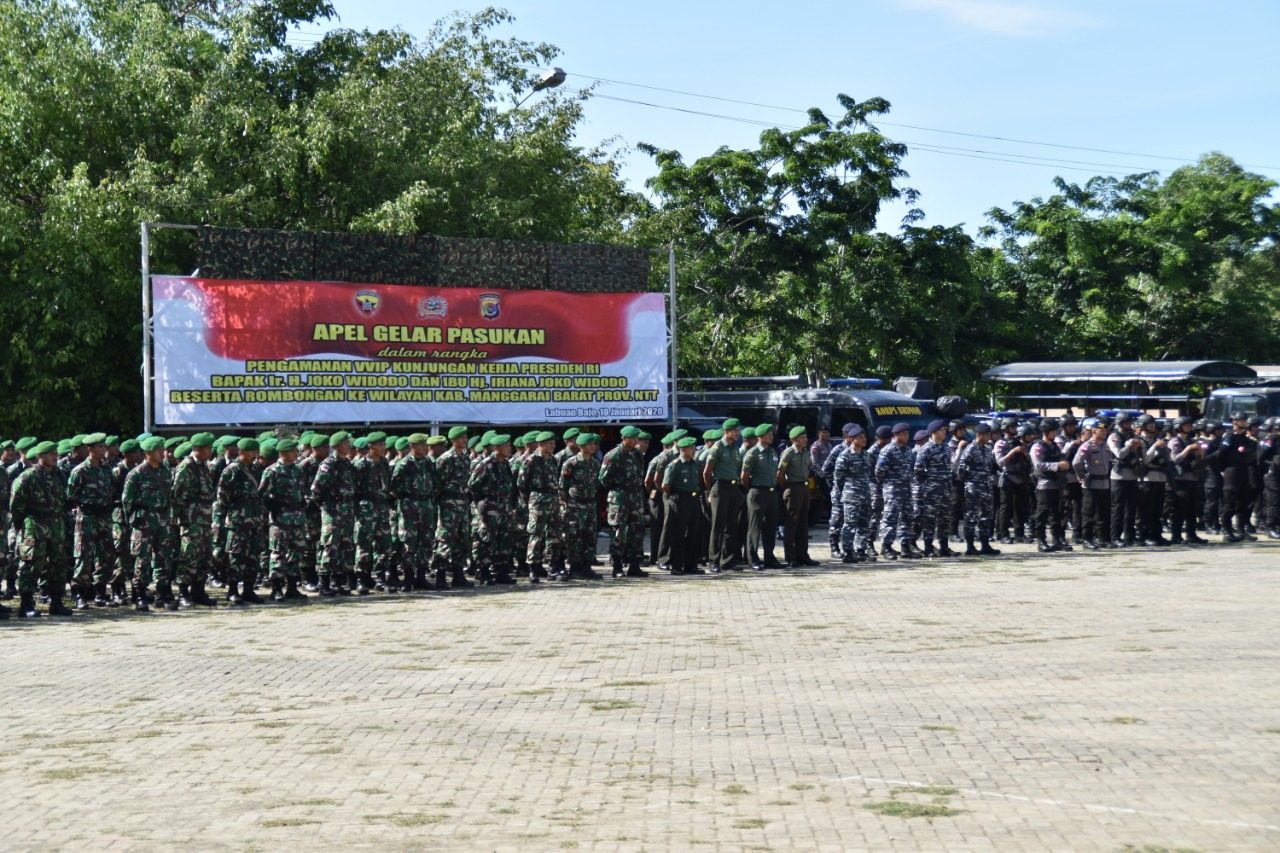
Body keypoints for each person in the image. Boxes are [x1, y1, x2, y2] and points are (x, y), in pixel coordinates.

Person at [10, 441, 72, 617]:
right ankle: (26, 604)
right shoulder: (28, 477)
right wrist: (23, 526)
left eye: (55, 453)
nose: (55, 456)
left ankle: (56, 602)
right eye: (51, 454)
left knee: (59, 564)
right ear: (40, 457)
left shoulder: (60, 475)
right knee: (31, 565)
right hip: (34, 526)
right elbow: (16, 506)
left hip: (56, 525)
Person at [120, 437, 172, 612]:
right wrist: (133, 521)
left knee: (163, 558)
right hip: (144, 520)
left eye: (162, 449)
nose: (162, 453)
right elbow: (126, 500)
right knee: (142, 559)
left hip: (163, 519)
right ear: (148, 453)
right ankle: (140, 596)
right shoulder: (137, 473)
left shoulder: (165, 471)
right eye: (159, 450)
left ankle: (161, 595)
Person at [66, 433, 116, 610]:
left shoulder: (107, 469)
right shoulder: (80, 471)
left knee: (106, 555)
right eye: (100, 447)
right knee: (84, 556)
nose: (104, 450)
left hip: (104, 518)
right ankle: (79, 594)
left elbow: (113, 491)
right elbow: (71, 495)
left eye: (104, 446)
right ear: (90, 449)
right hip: (86, 518)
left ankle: (100, 593)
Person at [171, 432, 218, 607]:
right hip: (191, 519)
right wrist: (176, 516)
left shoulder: (202, 465)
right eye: (207, 448)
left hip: (204, 518)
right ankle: (183, 593)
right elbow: (177, 494)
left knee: (204, 556)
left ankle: (198, 592)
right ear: (197, 449)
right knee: (189, 555)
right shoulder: (187, 466)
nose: (210, 451)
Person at [218, 438, 265, 605]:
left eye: (256, 451)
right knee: (236, 557)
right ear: (242, 452)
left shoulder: (256, 469)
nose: (256, 455)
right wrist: (231, 514)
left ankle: (248, 589)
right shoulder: (232, 470)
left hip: (255, 520)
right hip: (238, 521)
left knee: (253, 557)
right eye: (252, 451)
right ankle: (232, 590)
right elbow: (223, 496)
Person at [469, 434, 518, 585]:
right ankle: (484, 572)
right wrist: (482, 502)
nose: (509, 449)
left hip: (504, 508)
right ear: (496, 448)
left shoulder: (505, 464)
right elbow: (472, 485)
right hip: (488, 508)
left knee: (504, 539)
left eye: (509, 446)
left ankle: (501, 571)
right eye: (506, 446)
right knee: (485, 540)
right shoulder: (485, 464)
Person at [312, 432, 356, 596]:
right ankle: (323, 582)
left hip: (347, 510)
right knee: (330, 545)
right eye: (346, 443)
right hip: (332, 510)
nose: (349, 446)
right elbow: (316, 488)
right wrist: (325, 505)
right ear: (337, 446)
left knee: (345, 546)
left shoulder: (347, 463)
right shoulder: (329, 463)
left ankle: (338, 582)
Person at [600, 426, 647, 578]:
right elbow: (604, 479)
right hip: (619, 498)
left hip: (635, 498)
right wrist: (618, 489)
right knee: (618, 531)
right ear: (625, 438)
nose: (636, 441)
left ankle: (634, 565)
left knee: (636, 532)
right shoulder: (613, 455)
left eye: (637, 438)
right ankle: (617, 566)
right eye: (633, 438)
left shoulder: (637, 454)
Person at [431, 426, 474, 590]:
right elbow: (437, 485)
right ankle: (440, 576)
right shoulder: (445, 459)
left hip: (462, 505)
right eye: (462, 437)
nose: (465, 440)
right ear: (453, 440)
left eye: (466, 437)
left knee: (462, 540)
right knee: (445, 540)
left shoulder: (465, 458)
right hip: (448, 505)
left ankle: (458, 575)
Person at [703, 418, 744, 573]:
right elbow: (707, 472)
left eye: (738, 430)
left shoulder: (734, 448)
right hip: (720, 487)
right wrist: (710, 490)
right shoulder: (718, 447)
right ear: (727, 432)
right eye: (735, 430)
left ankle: (728, 560)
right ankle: (714, 560)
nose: (738, 433)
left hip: (733, 488)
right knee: (717, 526)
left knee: (732, 526)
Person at [519, 431, 560, 583]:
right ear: (541, 445)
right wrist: (529, 501)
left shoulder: (553, 460)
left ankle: (552, 566)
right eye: (549, 443)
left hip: (553, 500)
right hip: (538, 500)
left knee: (554, 535)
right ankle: (533, 568)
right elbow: (522, 483)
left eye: (553, 443)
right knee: (536, 534)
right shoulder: (531, 460)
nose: (552, 446)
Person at [561, 433, 603, 580]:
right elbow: (563, 485)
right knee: (574, 536)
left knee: (590, 536)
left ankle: (587, 567)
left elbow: (597, 483)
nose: (593, 446)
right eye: (589, 444)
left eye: (594, 444)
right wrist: (565, 504)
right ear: (581, 446)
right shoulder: (571, 463)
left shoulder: (595, 463)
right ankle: (574, 568)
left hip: (590, 504)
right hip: (574, 505)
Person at [661, 437, 705, 575]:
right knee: (678, 534)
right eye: (692, 449)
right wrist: (674, 495)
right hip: (680, 500)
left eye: (694, 448)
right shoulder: (675, 464)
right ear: (683, 450)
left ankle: (691, 565)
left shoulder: (694, 463)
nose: (694, 451)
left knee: (694, 533)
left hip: (693, 499)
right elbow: (665, 485)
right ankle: (677, 566)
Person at [741, 423, 782, 570]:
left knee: (770, 527)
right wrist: (753, 489)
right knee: (754, 527)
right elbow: (744, 477)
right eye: (769, 434)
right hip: (757, 492)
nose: (772, 436)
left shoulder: (772, 452)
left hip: (771, 492)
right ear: (760, 437)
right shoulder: (752, 454)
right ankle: (752, 559)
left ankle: (769, 557)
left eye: (772, 434)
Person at [876, 423, 919, 561]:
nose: (907, 436)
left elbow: (911, 469)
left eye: (907, 433)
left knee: (907, 518)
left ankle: (905, 546)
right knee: (890, 518)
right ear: (896, 435)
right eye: (904, 433)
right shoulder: (888, 450)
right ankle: (886, 547)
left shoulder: (908, 451)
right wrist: (890, 483)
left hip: (906, 489)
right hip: (893, 490)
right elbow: (879, 471)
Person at [956, 423, 1000, 556]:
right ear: (979, 435)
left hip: (986, 488)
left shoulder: (987, 450)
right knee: (971, 516)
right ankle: (970, 546)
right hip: (973, 489)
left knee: (986, 517)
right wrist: (971, 482)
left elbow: (991, 467)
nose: (988, 437)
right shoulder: (970, 449)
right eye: (986, 435)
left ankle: (985, 544)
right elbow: (961, 470)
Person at [1029, 418, 1072, 552]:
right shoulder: (1038, 446)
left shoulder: (1054, 446)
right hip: (1044, 484)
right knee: (1042, 513)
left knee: (1057, 514)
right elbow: (1038, 465)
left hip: (1057, 484)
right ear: (1046, 432)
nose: (1055, 433)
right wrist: (1057, 465)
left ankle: (1057, 539)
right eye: (1053, 431)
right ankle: (1041, 540)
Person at [777, 426, 817, 567]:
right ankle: (791, 557)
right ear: (793, 440)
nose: (805, 440)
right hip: (793, 488)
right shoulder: (789, 453)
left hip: (804, 488)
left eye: (805, 437)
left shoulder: (805, 452)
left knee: (803, 523)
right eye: (802, 437)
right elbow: (780, 475)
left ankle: (803, 555)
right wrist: (788, 488)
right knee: (792, 523)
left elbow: (809, 469)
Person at [914, 419, 954, 557]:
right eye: (943, 430)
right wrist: (929, 483)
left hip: (945, 489)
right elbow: (918, 470)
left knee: (945, 519)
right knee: (929, 519)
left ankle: (944, 547)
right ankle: (928, 548)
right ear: (934, 432)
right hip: (931, 491)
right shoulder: (926, 449)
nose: (945, 432)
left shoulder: (945, 447)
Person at [834, 425, 875, 562]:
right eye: (860, 437)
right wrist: (842, 494)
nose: (864, 440)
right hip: (851, 496)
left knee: (864, 524)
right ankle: (848, 552)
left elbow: (869, 474)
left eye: (864, 437)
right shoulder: (845, 456)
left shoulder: (866, 455)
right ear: (852, 439)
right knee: (850, 524)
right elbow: (838, 478)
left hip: (865, 495)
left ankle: (861, 551)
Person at [1071, 419, 1113, 549]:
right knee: (1088, 514)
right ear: (1094, 432)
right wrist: (1081, 476)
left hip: (1104, 483)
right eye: (1101, 430)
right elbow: (1076, 463)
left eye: (1105, 430)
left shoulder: (1105, 445)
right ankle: (1087, 539)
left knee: (1104, 513)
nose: (1104, 432)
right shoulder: (1087, 446)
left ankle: (1103, 538)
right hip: (1091, 484)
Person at [1215, 411, 1256, 542]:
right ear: (1234, 421)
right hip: (1232, 471)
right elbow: (1220, 455)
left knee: (1243, 502)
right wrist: (1222, 469)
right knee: (1230, 502)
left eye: (1245, 420)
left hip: (1244, 471)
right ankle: (1226, 530)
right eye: (1242, 420)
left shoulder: (1244, 438)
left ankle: (1241, 530)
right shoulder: (1229, 437)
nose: (1245, 422)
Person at [1167, 416, 1208, 545]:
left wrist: (1200, 452)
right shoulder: (1175, 441)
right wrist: (1189, 449)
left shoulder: (1190, 440)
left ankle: (1191, 534)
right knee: (1179, 508)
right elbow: (1176, 459)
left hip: (1193, 478)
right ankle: (1176, 535)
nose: (1189, 427)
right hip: (1181, 479)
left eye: (1189, 425)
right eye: (1186, 425)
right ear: (1179, 427)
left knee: (1192, 508)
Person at [1107, 413, 1144, 547]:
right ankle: (1115, 536)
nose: (1128, 425)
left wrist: (1139, 445)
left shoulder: (1131, 436)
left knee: (1131, 508)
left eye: (1129, 423)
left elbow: (1141, 455)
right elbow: (1119, 454)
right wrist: (1129, 445)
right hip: (1119, 476)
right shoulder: (1114, 436)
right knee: (1118, 508)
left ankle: (1130, 536)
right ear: (1119, 423)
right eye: (1126, 423)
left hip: (1132, 475)